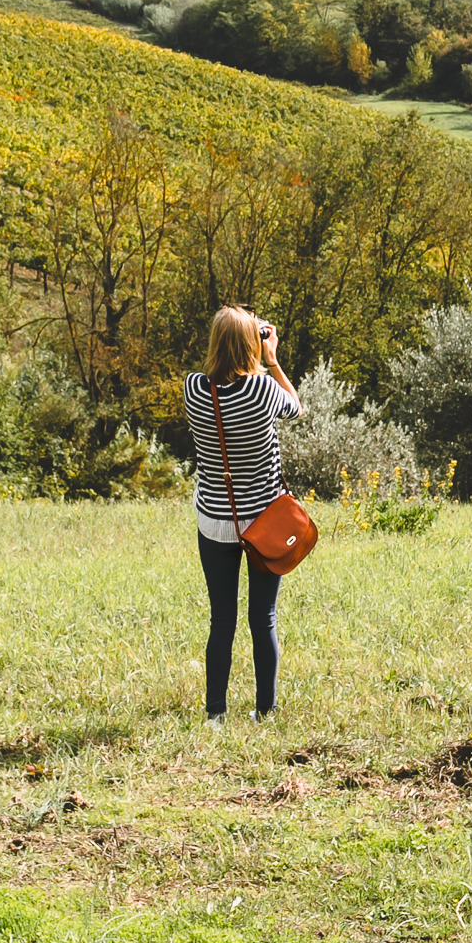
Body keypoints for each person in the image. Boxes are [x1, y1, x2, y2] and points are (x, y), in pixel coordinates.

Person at [184, 306, 301, 722]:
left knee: (222, 618)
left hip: (214, 519)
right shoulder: (262, 390)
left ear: (215, 342)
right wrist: (272, 359)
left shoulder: (193, 388)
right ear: (251, 344)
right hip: (263, 523)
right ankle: (263, 711)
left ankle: (215, 713)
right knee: (262, 617)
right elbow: (296, 407)